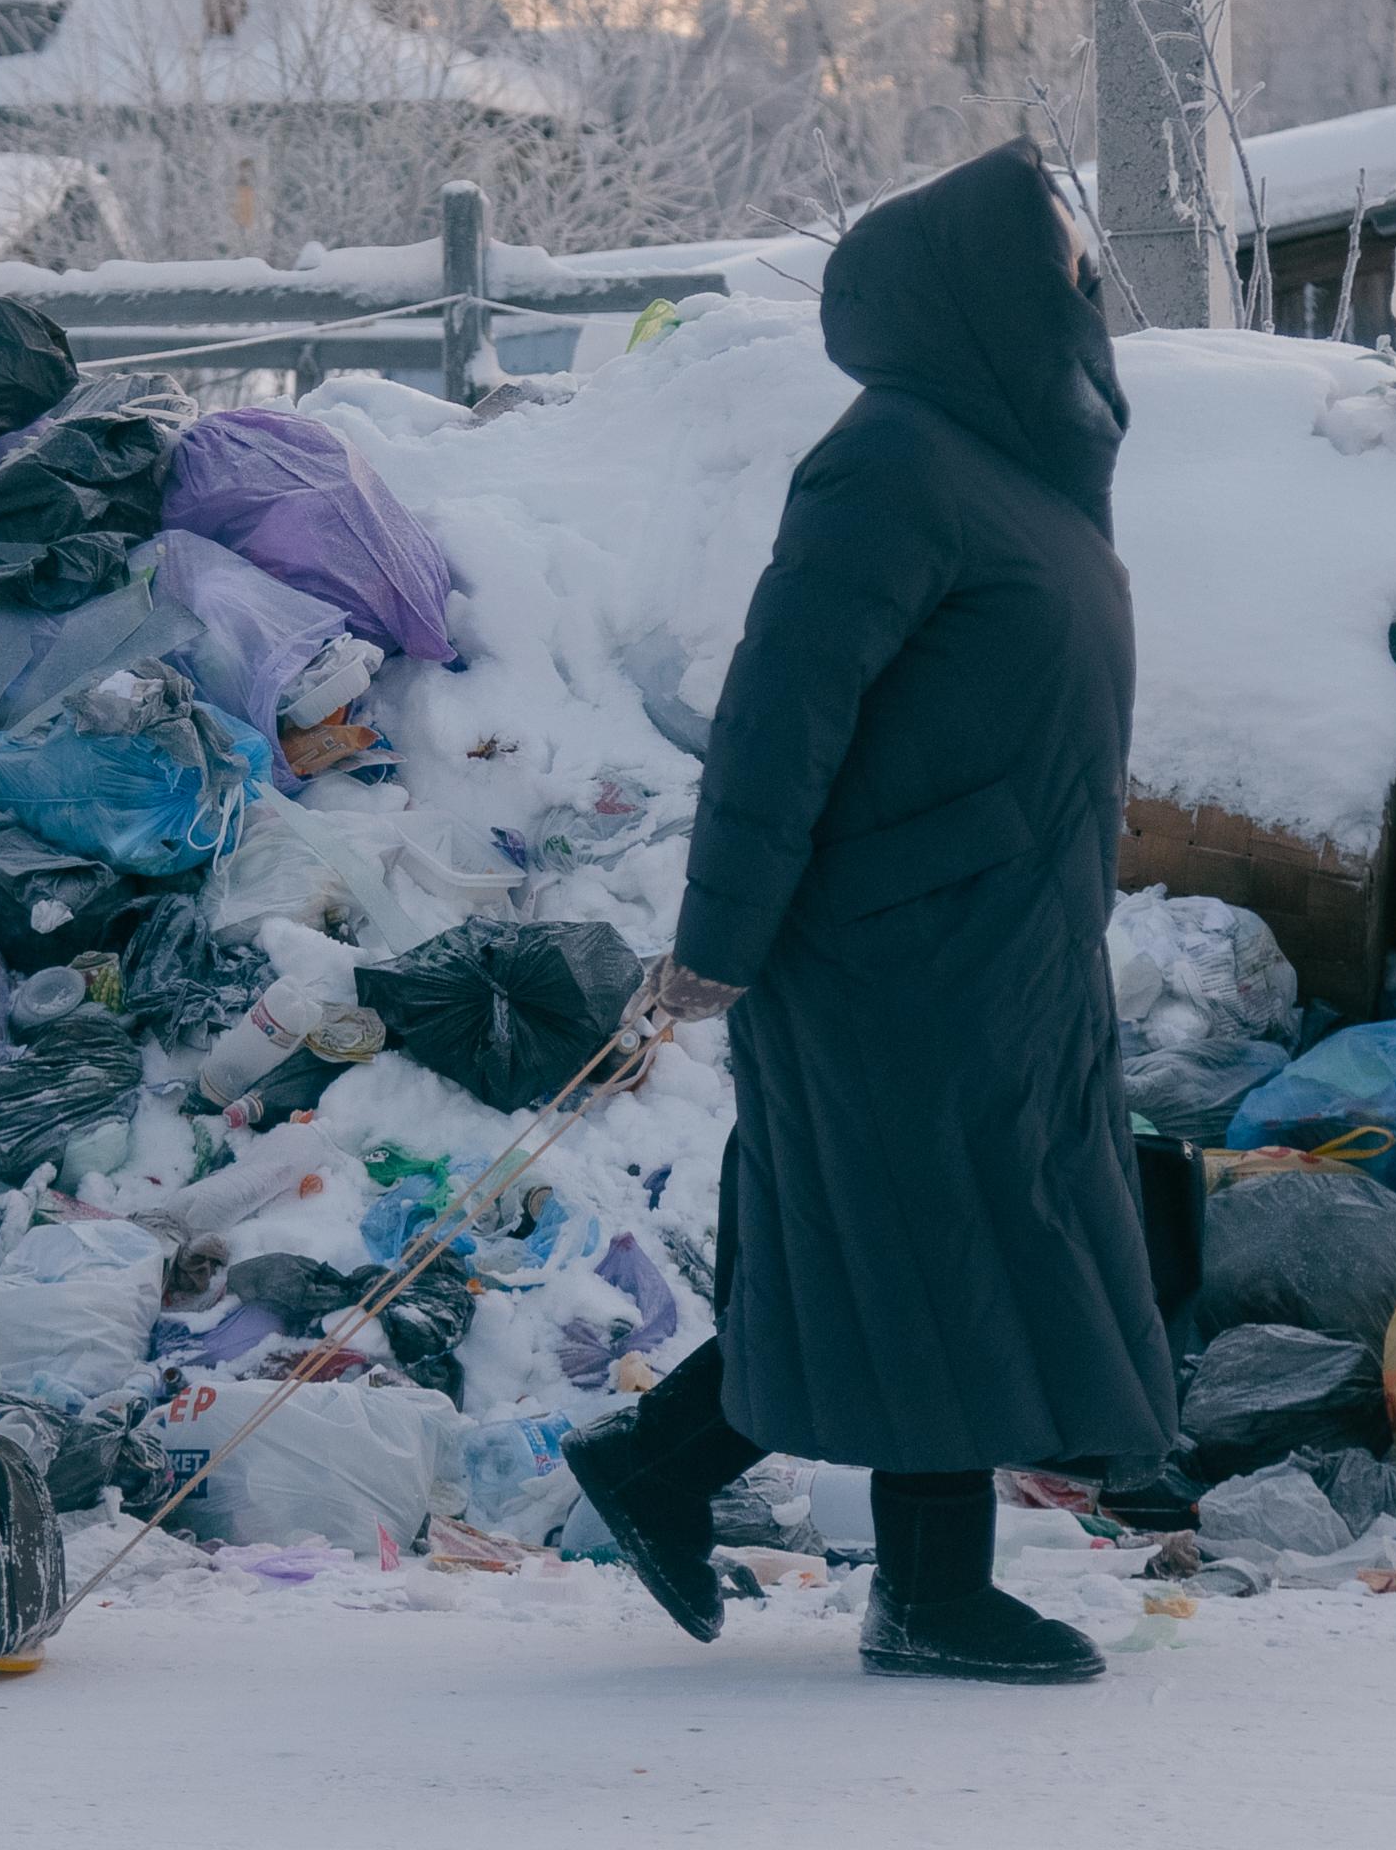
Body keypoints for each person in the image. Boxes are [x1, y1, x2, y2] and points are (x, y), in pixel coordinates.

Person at [562, 140, 1176, 1686]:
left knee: (916, 1242)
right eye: (1057, 254)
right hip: (894, 945)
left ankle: (664, 1466)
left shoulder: (1009, 465)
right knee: (927, 1241)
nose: (1084, 279)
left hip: (1000, 934)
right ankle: (927, 1595)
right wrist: (722, 934)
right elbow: (783, 710)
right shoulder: (890, 461)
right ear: (975, 290)